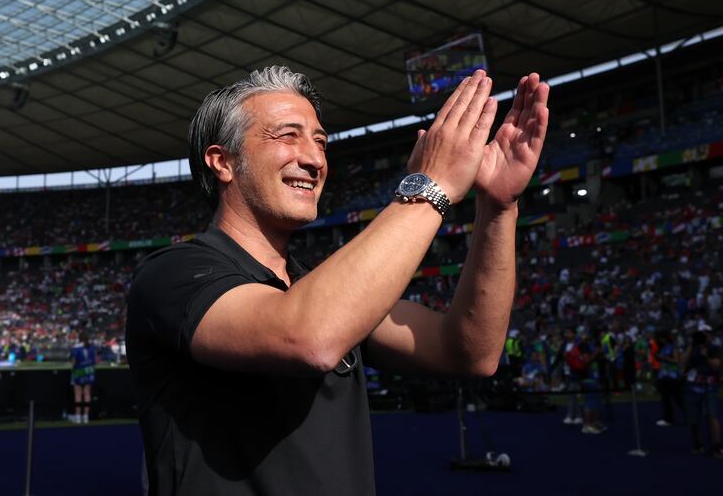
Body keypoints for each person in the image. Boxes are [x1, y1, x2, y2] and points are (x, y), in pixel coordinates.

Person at [126, 65, 550, 494]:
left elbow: (469, 353)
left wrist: (498, 208)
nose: (314, 159)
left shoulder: (324, 289)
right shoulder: (172, 273)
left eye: (321, 141)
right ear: (223, 162)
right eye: (287, 135)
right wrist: (430, 187)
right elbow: (308, 337)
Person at [682, 329, 722, 456]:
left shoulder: (714, 348)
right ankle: (697, 444)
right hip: (693, 386)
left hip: (709, 386)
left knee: (711, 415)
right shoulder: (692, 349)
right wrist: (690, 347)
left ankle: (716, 445)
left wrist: (706, 356)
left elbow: (716, 365)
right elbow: (681, 363)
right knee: (693, 418)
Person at [70, 331, 96, 424]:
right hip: (89, 372)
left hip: (79, 372)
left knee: (78, 395)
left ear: (79, 338)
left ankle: (77, 417)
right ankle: (85, 417)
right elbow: (94, 361)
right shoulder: (92, 347)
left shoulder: (76, 348)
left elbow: (73, 362)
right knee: (87, 394)